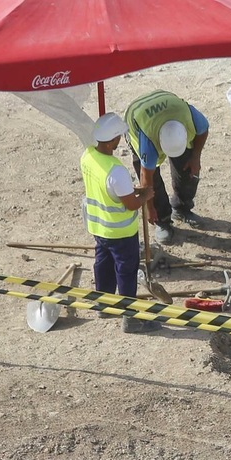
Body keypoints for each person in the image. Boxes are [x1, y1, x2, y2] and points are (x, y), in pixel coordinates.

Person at [79, 113, 153, 332]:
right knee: (126, 270)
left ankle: (104, 304)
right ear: (112, 140)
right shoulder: (116, 170)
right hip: (120, 232)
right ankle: (130, 318)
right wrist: (145, 196)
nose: (120, 139)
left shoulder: (88, 155)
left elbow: (105, 189)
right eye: (119, 136)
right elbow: (131, 204)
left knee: (102, 264)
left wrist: (131, 191)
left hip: (98, 227)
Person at [124, 89, 209, 244]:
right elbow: (146, 178)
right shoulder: (148, 142)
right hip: (137, 117)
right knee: (153, 181)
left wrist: (195, 157)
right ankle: (162, 220)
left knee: (189, 171)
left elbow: (203, 131)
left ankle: (182, 208)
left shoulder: (189, 117)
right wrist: (149, 208)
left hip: (168, 105)